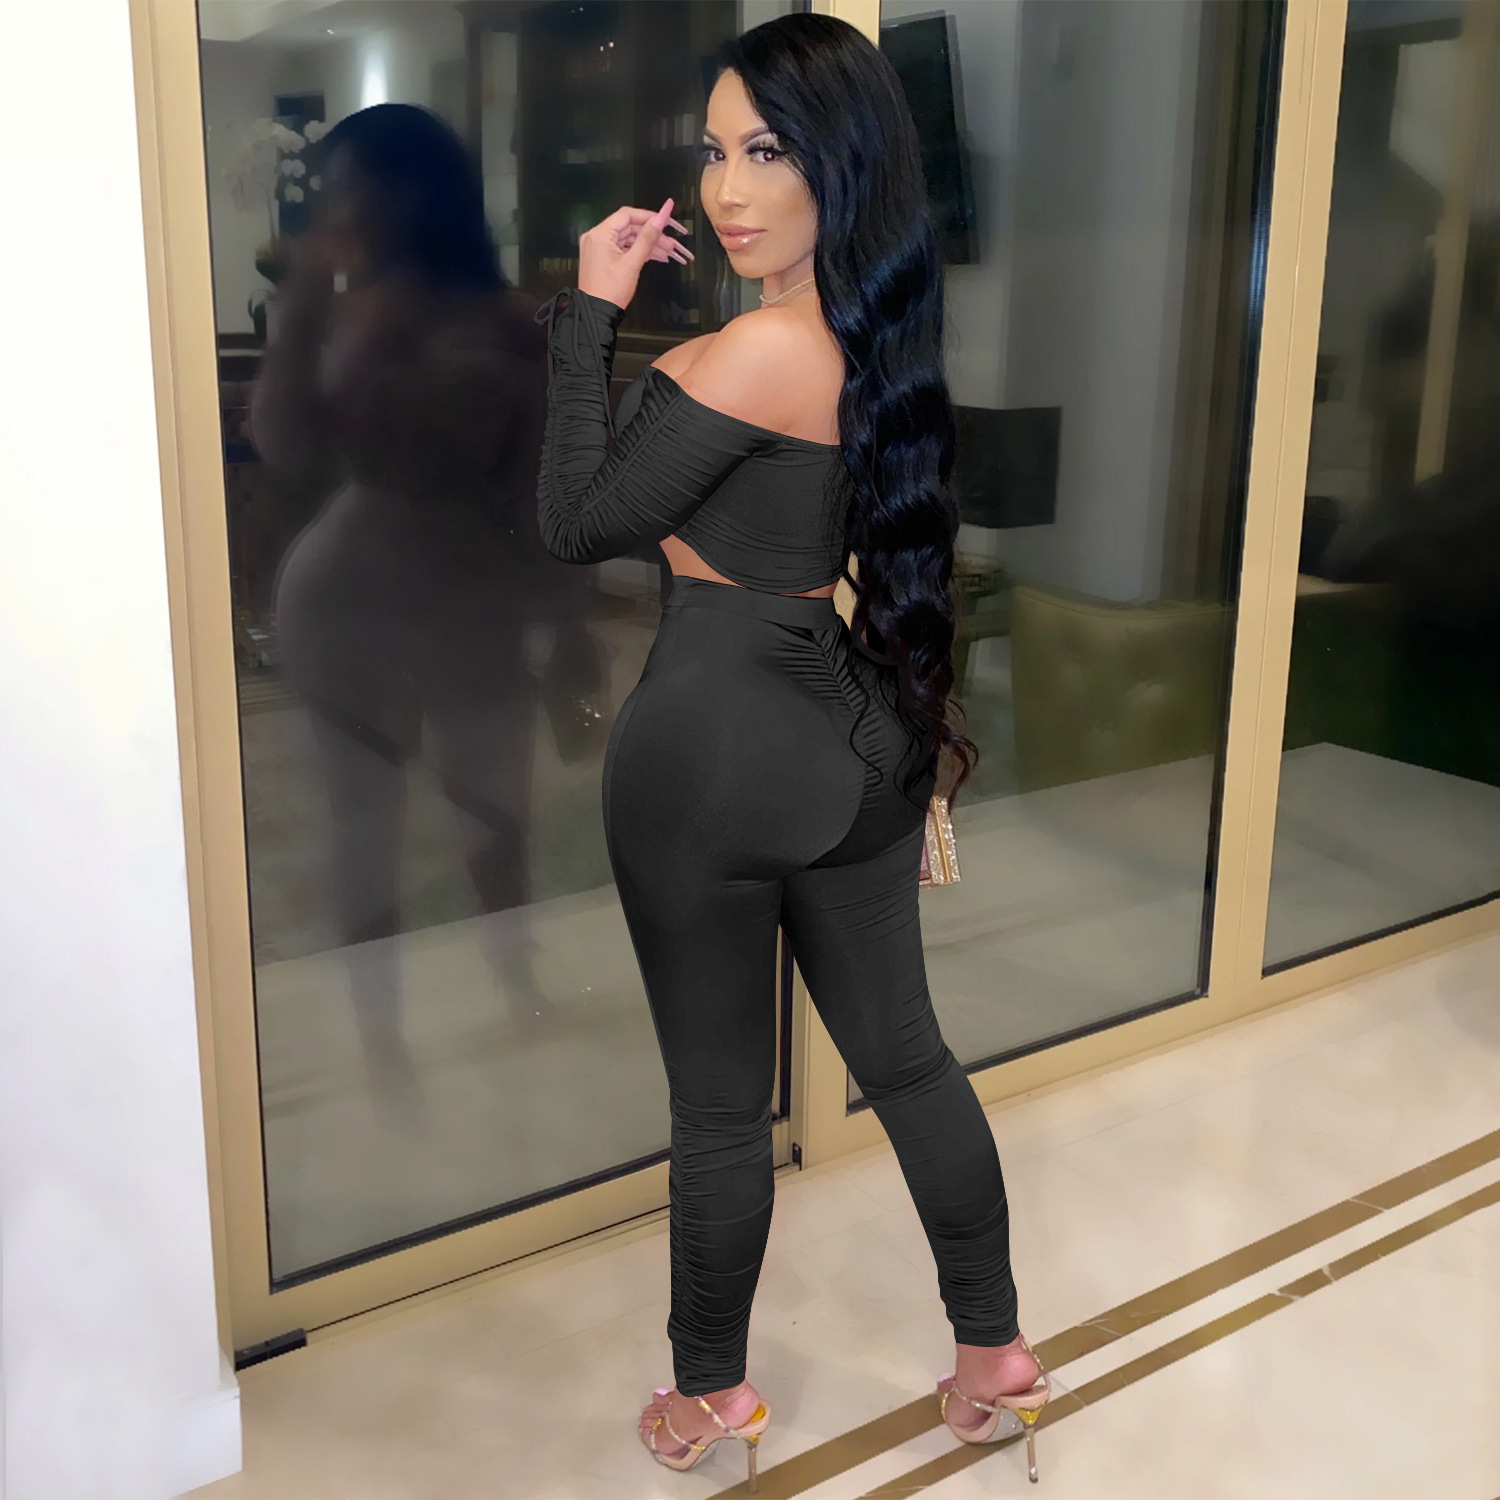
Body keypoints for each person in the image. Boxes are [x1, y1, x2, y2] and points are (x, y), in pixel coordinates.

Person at [533, 13, 1050, 1489]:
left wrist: (589, 309)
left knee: (717, 1110)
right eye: (713, 152)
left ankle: (713, 1398)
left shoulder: (761, 347)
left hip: (707, 759)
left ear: (844, 163)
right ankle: (995, 1352)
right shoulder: (873, 339)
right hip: (854, 741)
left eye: (767, 151)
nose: (726, 189)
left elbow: (576, 522)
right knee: (910, 1062)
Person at [252, 104, 602, 1111]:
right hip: (346, 594)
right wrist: (304, 296)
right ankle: (382, 1039)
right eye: (331, 190)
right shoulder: (340, 309)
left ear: (413, 189)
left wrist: (570, 627)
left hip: (473, 593)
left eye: (352, 185)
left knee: (495, 807)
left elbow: (543, 492)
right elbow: (283, 443)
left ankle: (516, 978)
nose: (340, 208)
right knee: (361, 820)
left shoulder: (514, 321)